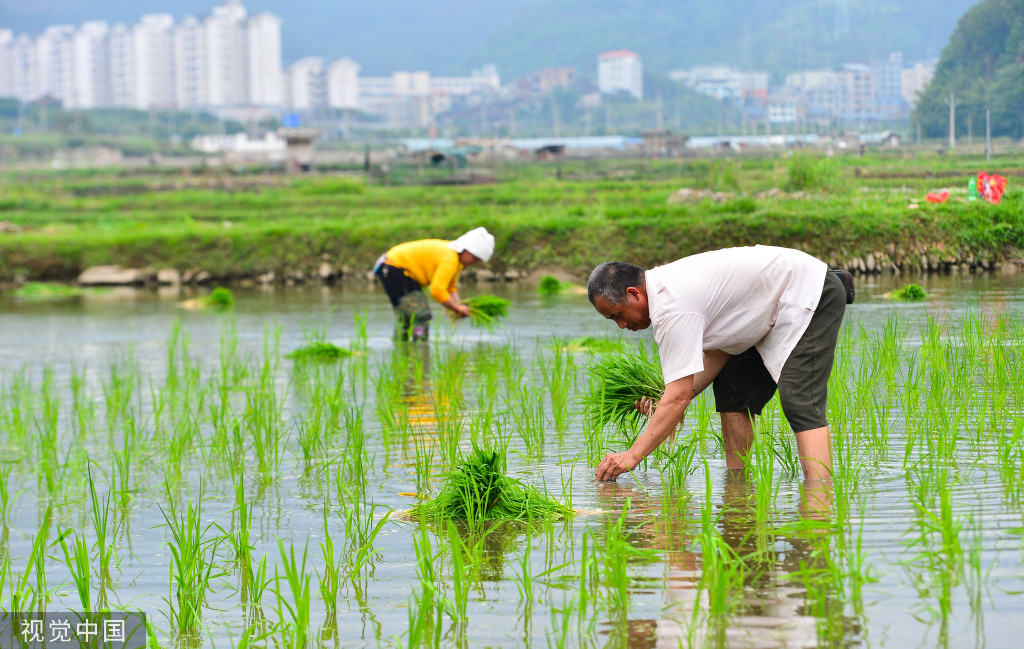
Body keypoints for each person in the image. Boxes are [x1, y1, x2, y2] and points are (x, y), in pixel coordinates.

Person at [587, 245, 846, 482]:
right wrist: (662, 401)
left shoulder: (672, 308)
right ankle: (738, 486)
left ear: (634, 294)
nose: (622, 326)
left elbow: (678, 398)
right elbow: (717, 356)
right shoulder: (669, 294)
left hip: (807, 291)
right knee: (731, 389)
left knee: (799, 399)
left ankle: (818, 499)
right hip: (762, 312)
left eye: (618, 315)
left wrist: (631, 456)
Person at [373, 227, 495, 341]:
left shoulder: (455, 260)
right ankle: (420, 349)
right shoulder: (450, 259)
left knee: (406, 315)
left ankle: (401, 350)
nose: (475, 263)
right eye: (475, 259)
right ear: (467, 250)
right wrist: (456, 308)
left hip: (393, 268)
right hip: (394, 268)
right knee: (420, 315)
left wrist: (459, 305)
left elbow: (450, 287)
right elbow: (437, 290)